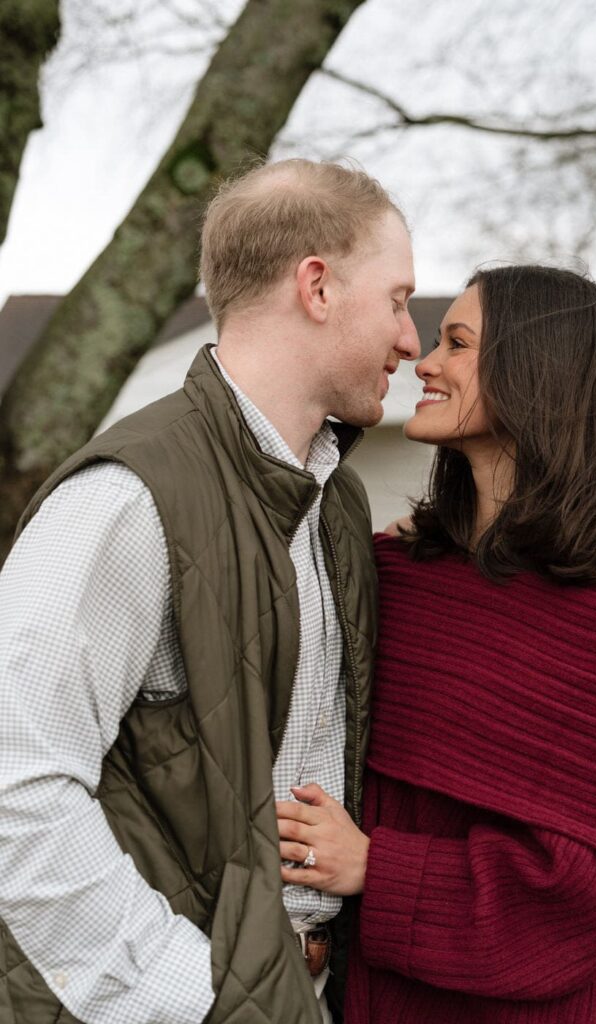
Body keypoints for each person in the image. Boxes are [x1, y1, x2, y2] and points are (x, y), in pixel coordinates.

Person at [0, 159, 421, 1024]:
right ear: (317, 286)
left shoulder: (336, 499)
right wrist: (199, 999)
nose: (412, 339)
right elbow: (18, 788)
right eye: (397, 299)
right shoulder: (124, 499)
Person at [276, 265, 596, 1024]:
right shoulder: (396, 566)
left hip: (537, 1007)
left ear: (536, 374)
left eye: (455, 343)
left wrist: (377, 868)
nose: (424, 362)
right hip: (375, 994)